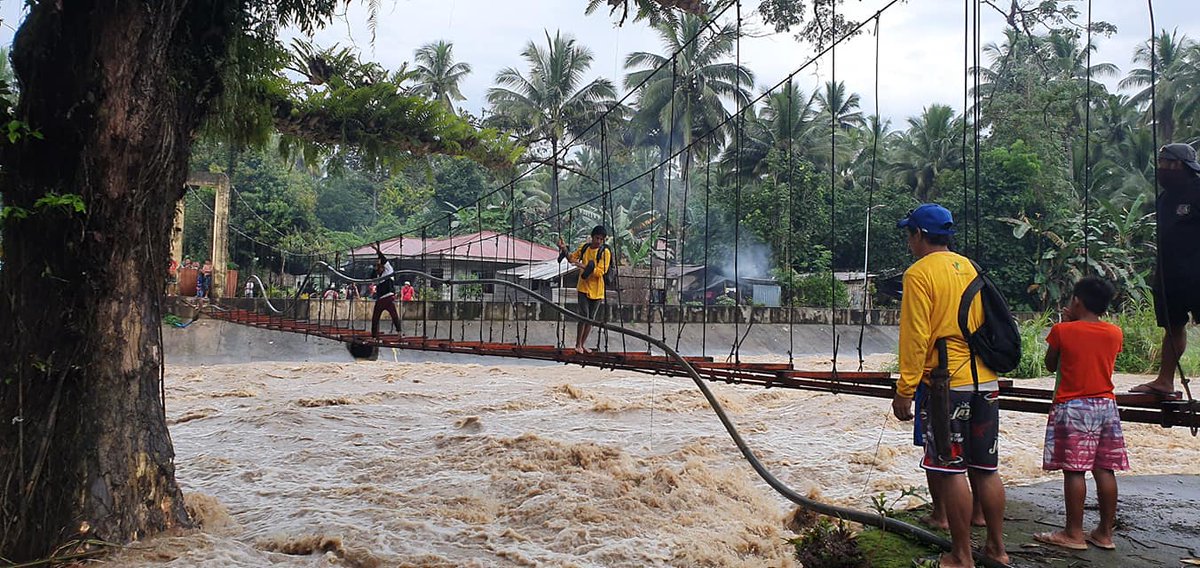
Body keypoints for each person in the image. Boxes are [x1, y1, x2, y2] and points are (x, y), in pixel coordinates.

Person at [890, 204, 1007, 568]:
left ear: (921, 235)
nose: (908, 240)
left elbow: (915, 339)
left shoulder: (919, 274)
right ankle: (997, 550)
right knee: (986, 468)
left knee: (950, 468)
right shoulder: (969, 267)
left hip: (946, 386)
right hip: (985, 380)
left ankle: (961, 555)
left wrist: (905, 390)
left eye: (909, 233)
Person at [1034, 276, 1128, 551]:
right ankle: (1104, 533)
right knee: (1104, 469)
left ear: (1076, 301)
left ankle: (1073, 533)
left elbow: (1051, 365)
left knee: (1074, 471)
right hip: (1105, 406)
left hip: (1072, 407)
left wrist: (1067, 325)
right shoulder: (1115, 333)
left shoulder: (1062, 331)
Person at [1133, 143, 1200, 395]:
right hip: (1169, 274)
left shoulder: (1198, 190)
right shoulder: (1165, 198)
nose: (1160, 169)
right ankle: (1164, 381)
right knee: (1172, 327)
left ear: (1178, 166)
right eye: (1159, 163)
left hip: (1197, 273)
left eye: (1164, 163)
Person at [558, 225, 611, 354]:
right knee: (583, 317)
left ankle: (582, 344)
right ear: (592, 237)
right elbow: (572, 259)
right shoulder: (585, 248)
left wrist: (584, 266)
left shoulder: (605, 252)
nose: (598, 241)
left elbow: (600, 272)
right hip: (583, 287)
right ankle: (578, 344)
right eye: (596, 238)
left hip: (597, 290)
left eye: (601, 239)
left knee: (590, 319)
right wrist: (564, 249)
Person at [370, 241, 401, 339]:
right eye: (377, 268)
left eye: (379, 267)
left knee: (394, 315)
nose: (378, 269)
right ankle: (374, 335)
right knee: (375, 318)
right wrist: (376, 267)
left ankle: (399, 332)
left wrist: (376, 250)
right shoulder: (378, 276)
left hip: (388, 298)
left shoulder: (389, 271)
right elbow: (371, 276)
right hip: (380, 300)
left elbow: (383, 258)